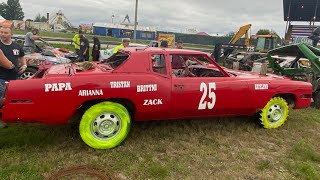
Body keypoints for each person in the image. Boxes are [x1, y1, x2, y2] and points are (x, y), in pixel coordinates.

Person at [0, 26, 27, 128]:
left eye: (5, 33)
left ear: (11, 35)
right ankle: (2, 119)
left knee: (14, 99)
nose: (3, 34)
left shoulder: (16, 46)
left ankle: (14, 117)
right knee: (1, 99)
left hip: (14, 77)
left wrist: (24, 65)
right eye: (1, 32)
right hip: (1, 77)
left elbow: (22, 56)